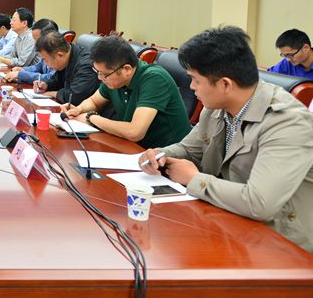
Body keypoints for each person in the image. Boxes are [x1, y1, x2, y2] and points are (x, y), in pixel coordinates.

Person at [140, 26, 313, 253]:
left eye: (195, 80)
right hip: (228, 222)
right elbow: (189, 149)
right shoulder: (216, 108)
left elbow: (259, 203)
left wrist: (193, 179)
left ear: (225, 84)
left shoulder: (286, 123)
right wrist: (160, 155)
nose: (191, 87)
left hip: (281, 246)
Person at [64, 34, 191, 148]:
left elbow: (134, 132)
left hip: (167, 156)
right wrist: (79, 109)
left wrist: (91, 118)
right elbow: (94, 101)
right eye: (98, 72)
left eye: (104, 74)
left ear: (127, 69)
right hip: (133, 148)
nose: (100, 78)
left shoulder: (154, 79)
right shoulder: (114, 78)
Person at [27, 32, 99, 104]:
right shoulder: (66, 59)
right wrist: (46, 85)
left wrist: (51, 94)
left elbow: (75, 96)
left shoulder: (86, 64)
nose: (45, 64)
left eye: (45, 60)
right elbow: (57, 81)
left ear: (60, 55)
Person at [4, 18, 59, 84]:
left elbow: (50, 78)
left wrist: (20, 75)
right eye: (34, 39)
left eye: (37, 39)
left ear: (49, 36)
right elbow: (38, 67)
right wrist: (23, 70)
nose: (35, 43)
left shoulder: (58, 53)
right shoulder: (45, 50)